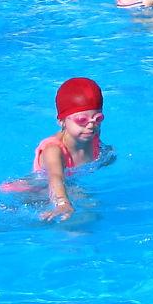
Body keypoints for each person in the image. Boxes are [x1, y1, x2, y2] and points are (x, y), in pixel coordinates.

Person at [33, 77, 108, 221]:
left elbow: (104, 153)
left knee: (90, 208)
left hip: (70, 184)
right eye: (82, 120)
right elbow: (56, 176)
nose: (91, 125)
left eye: (97, 118)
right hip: (35, 191)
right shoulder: (54, 150)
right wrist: (62, 202)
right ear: (61, 121)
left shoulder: (92, 135)